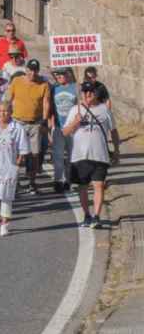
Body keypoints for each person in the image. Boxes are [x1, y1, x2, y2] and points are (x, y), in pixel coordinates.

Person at [64, 81, 119, 228]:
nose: (88, 95)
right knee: (82, 187)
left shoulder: (104, 110)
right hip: (80, 155)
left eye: (91, 92)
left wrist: (117, 151)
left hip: (100, 155)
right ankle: (87, 215)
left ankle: (96, 216)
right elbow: (65, 132)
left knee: (99, 185)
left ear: (95, 93)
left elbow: (113, 131)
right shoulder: (75, 110)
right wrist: (75, 122)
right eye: (85, 92)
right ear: (82, 94)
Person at [0, 100, 29, 237]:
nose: (4, 113)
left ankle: (5, 224)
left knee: (6, 197)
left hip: (9, 166)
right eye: (1, 110)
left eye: (7, 111)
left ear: (11, 112)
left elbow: (23, 150)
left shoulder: (17, 128)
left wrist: (17, 165)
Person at [8, 58, 51, 195]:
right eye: (30, 70)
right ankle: (14, 182)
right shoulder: (17, 81)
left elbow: (46, 103)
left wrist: (44, 121)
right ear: (26, 70)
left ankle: (32, 183)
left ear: (38, 71)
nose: (32, 73)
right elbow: (9, 99)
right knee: (15, 154)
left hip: (35, 123)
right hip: (18, 122)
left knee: (34, 154)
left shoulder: (43, 84)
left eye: (35, 71)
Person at [51, 68, 79, 192]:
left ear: (68, 75)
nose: (60, 76)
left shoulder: (75, 88)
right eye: (58, 74)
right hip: (58, 127)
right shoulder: (54, 89)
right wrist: (50, 127)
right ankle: (58, 180)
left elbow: (80, 106)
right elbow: (51, 109)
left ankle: (69, 180)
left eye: (63, 74)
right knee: (57, 156)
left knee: (72, 156)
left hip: (73, 128)